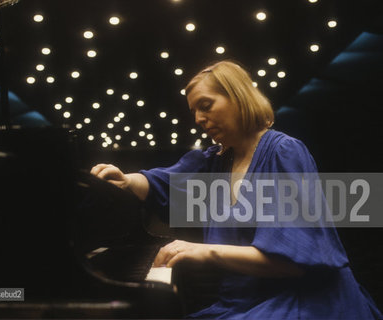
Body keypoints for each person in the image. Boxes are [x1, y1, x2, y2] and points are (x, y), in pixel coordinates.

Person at [90, 60, 382, 319]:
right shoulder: (215, 161)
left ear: (238, 97)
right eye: (194, 112)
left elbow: (291, 264)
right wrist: (127, 180)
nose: (199, 119)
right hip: (246, 302)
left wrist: (203, 252)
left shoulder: (283, 151)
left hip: (306, 300)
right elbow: (161, 183)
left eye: (206, 106)